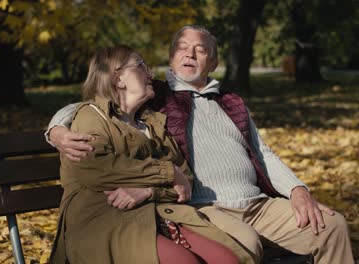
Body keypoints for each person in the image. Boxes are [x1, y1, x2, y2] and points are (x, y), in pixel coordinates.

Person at [47, 26, 355, 264]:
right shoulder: (157, 95)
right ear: (171, 58)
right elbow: (94, 103)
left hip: (257, 204)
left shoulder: (232, 102)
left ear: (214, 61)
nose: (190, 54)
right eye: (182, 48)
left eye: (200, 49)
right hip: (203, 209)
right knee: (245, 246)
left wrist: (298, 190)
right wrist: (57, 129)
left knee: (331, 225)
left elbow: (262, 152)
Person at [48, 45, 254, 264]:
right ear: (118, 79)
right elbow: (94, 167)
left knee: (227, 260)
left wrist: (149, 190)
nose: (151, 73)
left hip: (157, 214)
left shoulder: (152, 123)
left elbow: (185, 184)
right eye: (141, 65)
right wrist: (168, 172)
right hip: (102, 219)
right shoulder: (92, 116)